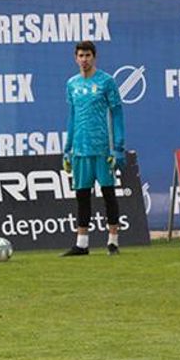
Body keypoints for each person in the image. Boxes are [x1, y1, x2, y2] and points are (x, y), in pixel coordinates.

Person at [61, 40, 126, 256]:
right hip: (80, 150)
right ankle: (81, 244)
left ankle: (113, 242)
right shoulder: (72, 84)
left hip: (103, 149)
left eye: (88, 55)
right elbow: (71, 116)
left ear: (94, 57)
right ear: (75, 58)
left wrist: (118, 147)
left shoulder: (107, 82)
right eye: (81, 55)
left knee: (108, 193)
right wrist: (67, 148)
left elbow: (117, 114)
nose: (84, 59)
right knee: (82, 195)